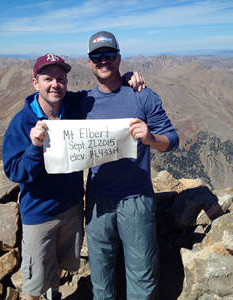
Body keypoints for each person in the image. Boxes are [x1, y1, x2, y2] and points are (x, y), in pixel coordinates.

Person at [2, 53, 145, 300]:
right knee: (34, 285)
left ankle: (54, 295)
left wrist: (126, 78)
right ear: (35, 83)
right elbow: (14, 171)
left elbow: (102, 91)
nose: (55, 84)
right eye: (48, 79)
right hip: (40, 213)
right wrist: (35, 148)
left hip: (72, 207)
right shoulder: (22, 122)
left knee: (58, 266)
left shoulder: (74, 105)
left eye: (60, 78)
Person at [81, 31, 179, 300]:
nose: (104, 61)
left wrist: (150, 138)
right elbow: (50, 102)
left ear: (119, 58)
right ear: (89, 62)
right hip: (98, 201)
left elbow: (171, 140)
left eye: (109, 55)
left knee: (142, 278)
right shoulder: (82, 102)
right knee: (101, 279)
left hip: (136, 199)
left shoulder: (143, 97)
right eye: (97, 56)